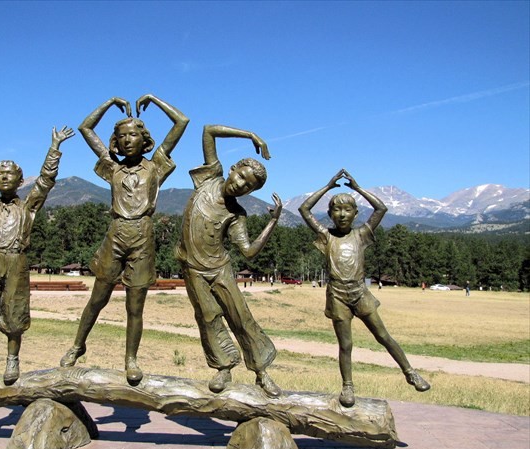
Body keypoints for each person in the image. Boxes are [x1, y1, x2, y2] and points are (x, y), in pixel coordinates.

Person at [60, 95, 188, 384]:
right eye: (121, 136)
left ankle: (131, 359)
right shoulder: (112, 168)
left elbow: (182, 122)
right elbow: (86, 129)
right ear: (115, 142)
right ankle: (77, 345)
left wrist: (154, 100)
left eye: (133, 134)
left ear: (144, 139)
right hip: (115, 235)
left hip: (143, 237)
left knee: (135, 306)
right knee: (97, 299)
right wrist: (108, 103)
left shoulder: (155, 166)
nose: (128, 139)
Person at [0, 126, 75, 387]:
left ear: (20, 181)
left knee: (15, 311)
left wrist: (55, 148)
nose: (5, 177)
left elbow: (45, 181)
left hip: (16, 261)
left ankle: (12, 359)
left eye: (10, 174)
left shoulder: (28, 206)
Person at [298, 169, 430, 407]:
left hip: (360, 292)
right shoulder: (326, 237)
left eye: (348, 209)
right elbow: (304, 209)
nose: (342, 214)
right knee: (345, 344)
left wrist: (357, 189)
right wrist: (328, 187)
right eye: (336, 210)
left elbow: (381, 209)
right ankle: (347, 387)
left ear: (356, 213)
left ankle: (410, 372)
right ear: (329, 214)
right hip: (337, 295)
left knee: (382, 335)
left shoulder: (361, 235)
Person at [175, 124, 283, 397]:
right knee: (208, 317)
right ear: (233, 168)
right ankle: (223, 368)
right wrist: (250, 135)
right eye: (242, 176)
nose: (241, 184)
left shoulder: (237, 214)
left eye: (249, 186)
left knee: (241, 317)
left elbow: (248, 251)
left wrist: (272, 222)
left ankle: (261, 372)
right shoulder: (209, 177)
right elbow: (208, 131)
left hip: (219, 269)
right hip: (193, 268)